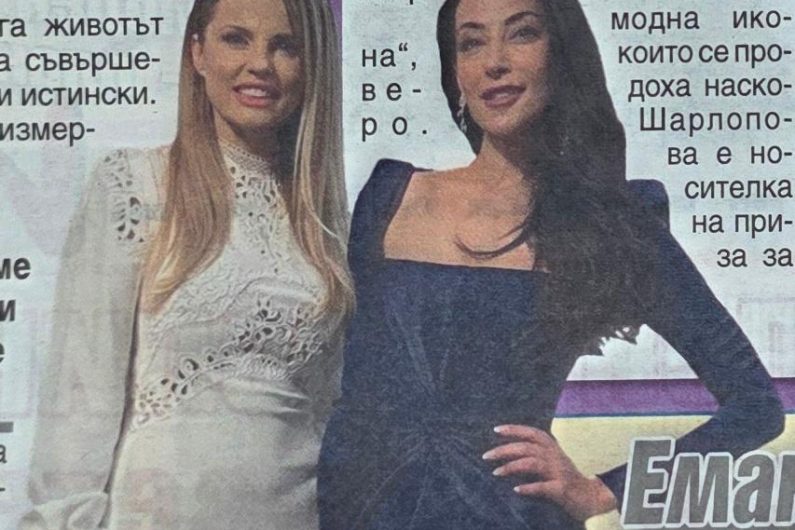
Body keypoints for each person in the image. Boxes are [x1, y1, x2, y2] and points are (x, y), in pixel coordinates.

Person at [317, 0, 785, 528]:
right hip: (361, 510)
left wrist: (600, 490)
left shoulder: (614, 225)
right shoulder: (389, 196)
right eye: (471, 42)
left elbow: (755, 408)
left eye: (521, 35)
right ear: (455, 72)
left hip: (507, 515)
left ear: (561, 54)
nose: (494, 61)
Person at [22, 0, 350, 528]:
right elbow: (78, 402)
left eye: (285, 46)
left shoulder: (329, 225)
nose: (260, 64)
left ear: (313, 63)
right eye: (236, 38)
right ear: (197, 52)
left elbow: (331, 411)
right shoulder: (133, 186)